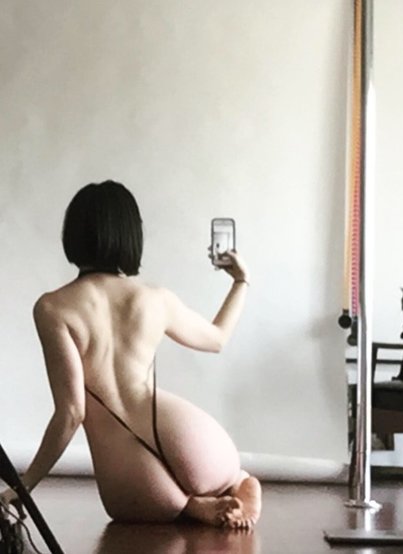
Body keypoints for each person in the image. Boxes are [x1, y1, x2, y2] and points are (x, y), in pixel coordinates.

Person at [0, 181, 262, 529]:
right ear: (131, 236)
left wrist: (24, 486)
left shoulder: (52, 308)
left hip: (132, 477)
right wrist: (241, 281)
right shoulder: (155, 299)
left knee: (159, 503)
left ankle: (186, 505)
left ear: (72, 235)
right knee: (235, 475)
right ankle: (235, 486)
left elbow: (72, 412)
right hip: (192, 441)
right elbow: (217, 339)